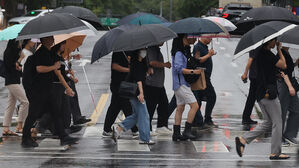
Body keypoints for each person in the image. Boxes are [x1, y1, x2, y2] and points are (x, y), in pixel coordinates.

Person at [235, 39, 290, 160]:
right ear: (268, 42)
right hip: (268, 93)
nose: (275, 42)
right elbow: (283, 65)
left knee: (268, 123)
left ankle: (243, 140)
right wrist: (280, 50)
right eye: (274, 41)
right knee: (278, 122)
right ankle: (275, 153)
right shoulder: (267, 55)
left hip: (260, 93)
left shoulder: (259, 53)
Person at [21, 36, 78, 148]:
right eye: (49, 37)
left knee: (56, 112)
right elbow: (39, 69)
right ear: (44, 40)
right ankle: (25, 138)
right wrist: (53, 67)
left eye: (52, 37)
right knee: (33, 114)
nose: (52, 38)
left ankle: (63, 137)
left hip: (47, 88)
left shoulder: (49, 52)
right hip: (38, 90)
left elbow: (57, 69)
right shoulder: (41, 52)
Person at [112, 49, 155, 145]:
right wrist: (141, 93)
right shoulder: (136, 64)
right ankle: (144, 138)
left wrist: (148, 71)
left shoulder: (140, 63)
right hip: (137, 93)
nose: (145, 52)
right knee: (144, 115)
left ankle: (118, 129)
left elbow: (141, 77)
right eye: (143, 50)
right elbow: (138, 80)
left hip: (135, 93)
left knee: (137, 115)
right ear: (138, 52)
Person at [171, 34, 201, 141]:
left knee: (180, 108)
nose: (193, 38)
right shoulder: (179, 53)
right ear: (184, 38)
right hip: (181, 84)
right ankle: (187, 131)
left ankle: (176, 133)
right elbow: (178, 68)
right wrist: (193, 71)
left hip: (179, 84)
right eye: (190, 37)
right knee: (195, 106)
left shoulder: (183, 51)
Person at [102, 51, 138, 137]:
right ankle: (134, 129)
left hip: (125, 83)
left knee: (116, 107)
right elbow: (114, 66)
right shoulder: (118, 52)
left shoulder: (129, 52)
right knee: (126, 106)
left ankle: (106, 129)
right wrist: (129, 70)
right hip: (117, 84)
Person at [2, 39, 29, 136]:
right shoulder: (8, 52)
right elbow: (10, 67)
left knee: (11, 104)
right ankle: (19, 126)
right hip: (11, 81)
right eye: (19, 43)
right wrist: (20, 59)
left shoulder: (15, 52)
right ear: (14, 43)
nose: (20, 44)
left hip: (15, 80)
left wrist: (19, 66)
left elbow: (16, 66)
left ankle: (6, 128)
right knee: (25, 102)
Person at [144, 44, 172, 135]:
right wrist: (165, 64)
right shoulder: (152, 48)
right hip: (152, 83)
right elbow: (152, 62)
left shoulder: (156, 49)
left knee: (164, 104)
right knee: (150, 107)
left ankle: (161, 126)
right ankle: (147, 128)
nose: (163, 41)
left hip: (158, 83)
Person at [192, 37, 217, 128]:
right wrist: (209, 55)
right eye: (209, 37)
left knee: (200, 98)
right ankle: (206, 119)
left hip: (205, 77)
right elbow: (198, 59)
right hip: (202, 77)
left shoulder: (204, 47)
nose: (211, 39)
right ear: (203, 36)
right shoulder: (198, 47)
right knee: (211, 96)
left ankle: (197, 120)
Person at [277, 47, 299, 146]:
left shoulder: (286, 53)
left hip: (291, 83)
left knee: (296, 109)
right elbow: (283, 72)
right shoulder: (280, 54)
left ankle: (289, 134)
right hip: (284, 84)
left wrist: (295, 64)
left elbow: (288, 68)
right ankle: (279, 138)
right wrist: (290, 86)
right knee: (282, 112)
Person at [240, 50, 259, 125]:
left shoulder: (257, 44)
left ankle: (246, 117)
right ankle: (245, 117)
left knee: (252, 97)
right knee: (252, 97)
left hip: (256, 75)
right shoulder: (257, 47)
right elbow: (250, 59)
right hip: (256, 75)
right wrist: (245, 73)